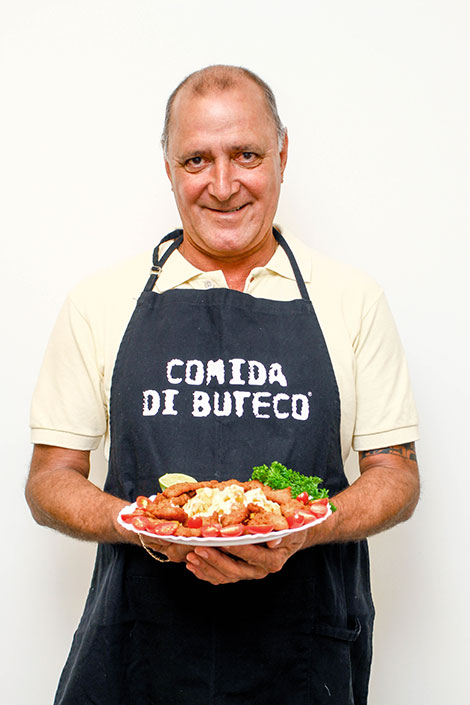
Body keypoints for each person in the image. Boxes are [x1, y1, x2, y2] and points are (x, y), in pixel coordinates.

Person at [26, 65, 420, 705]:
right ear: (168, 169)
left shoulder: (352, 300)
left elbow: (396, 475)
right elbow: (49, 479)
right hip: (140, 653)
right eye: (196, 160)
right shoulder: (99, 301)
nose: (223, 184)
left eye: (246, 155)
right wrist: (137, 523)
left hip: (302, 655)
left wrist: (305, 526)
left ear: (283, 155)